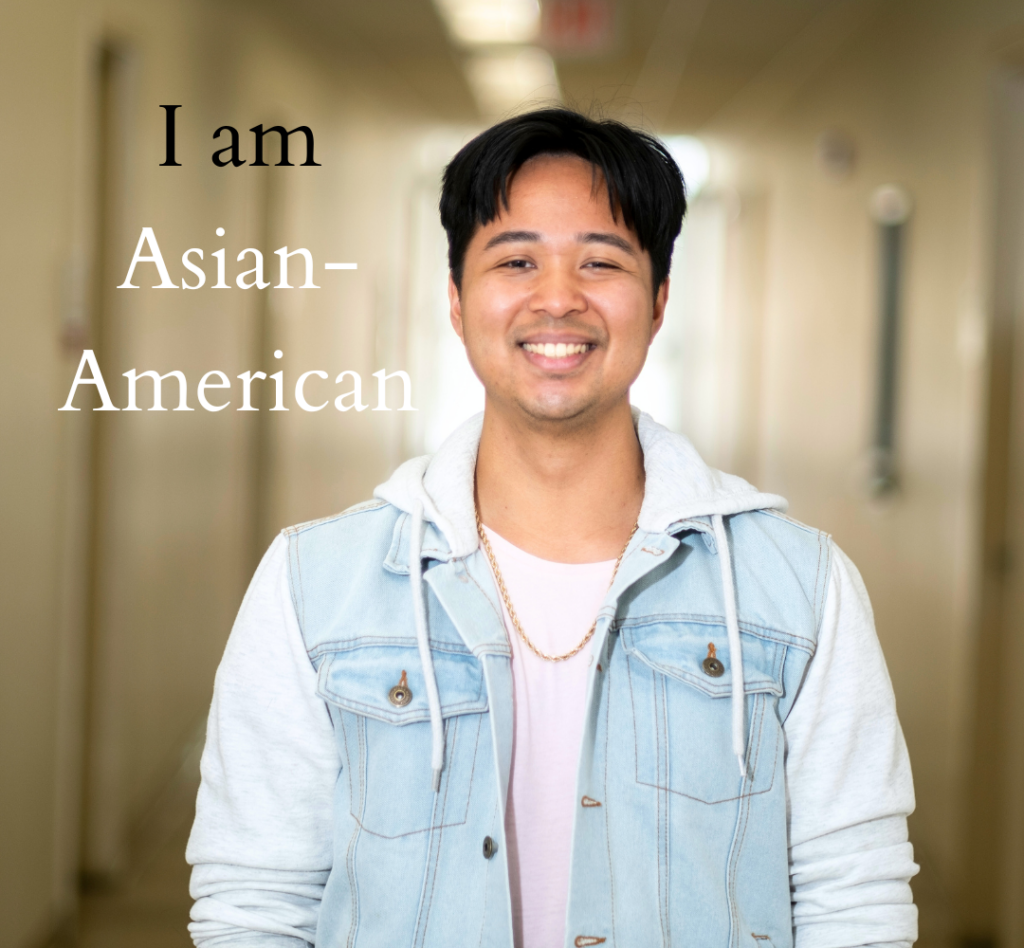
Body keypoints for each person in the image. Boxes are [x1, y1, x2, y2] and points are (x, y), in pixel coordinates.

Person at [187, 108, 919, 948]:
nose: (559, 298)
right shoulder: (316, 586)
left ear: (660, 301)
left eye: (601, 261)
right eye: (518, 259)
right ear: (458, 303)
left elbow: (853, 900)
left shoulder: (797, 588)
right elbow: (255, 902)